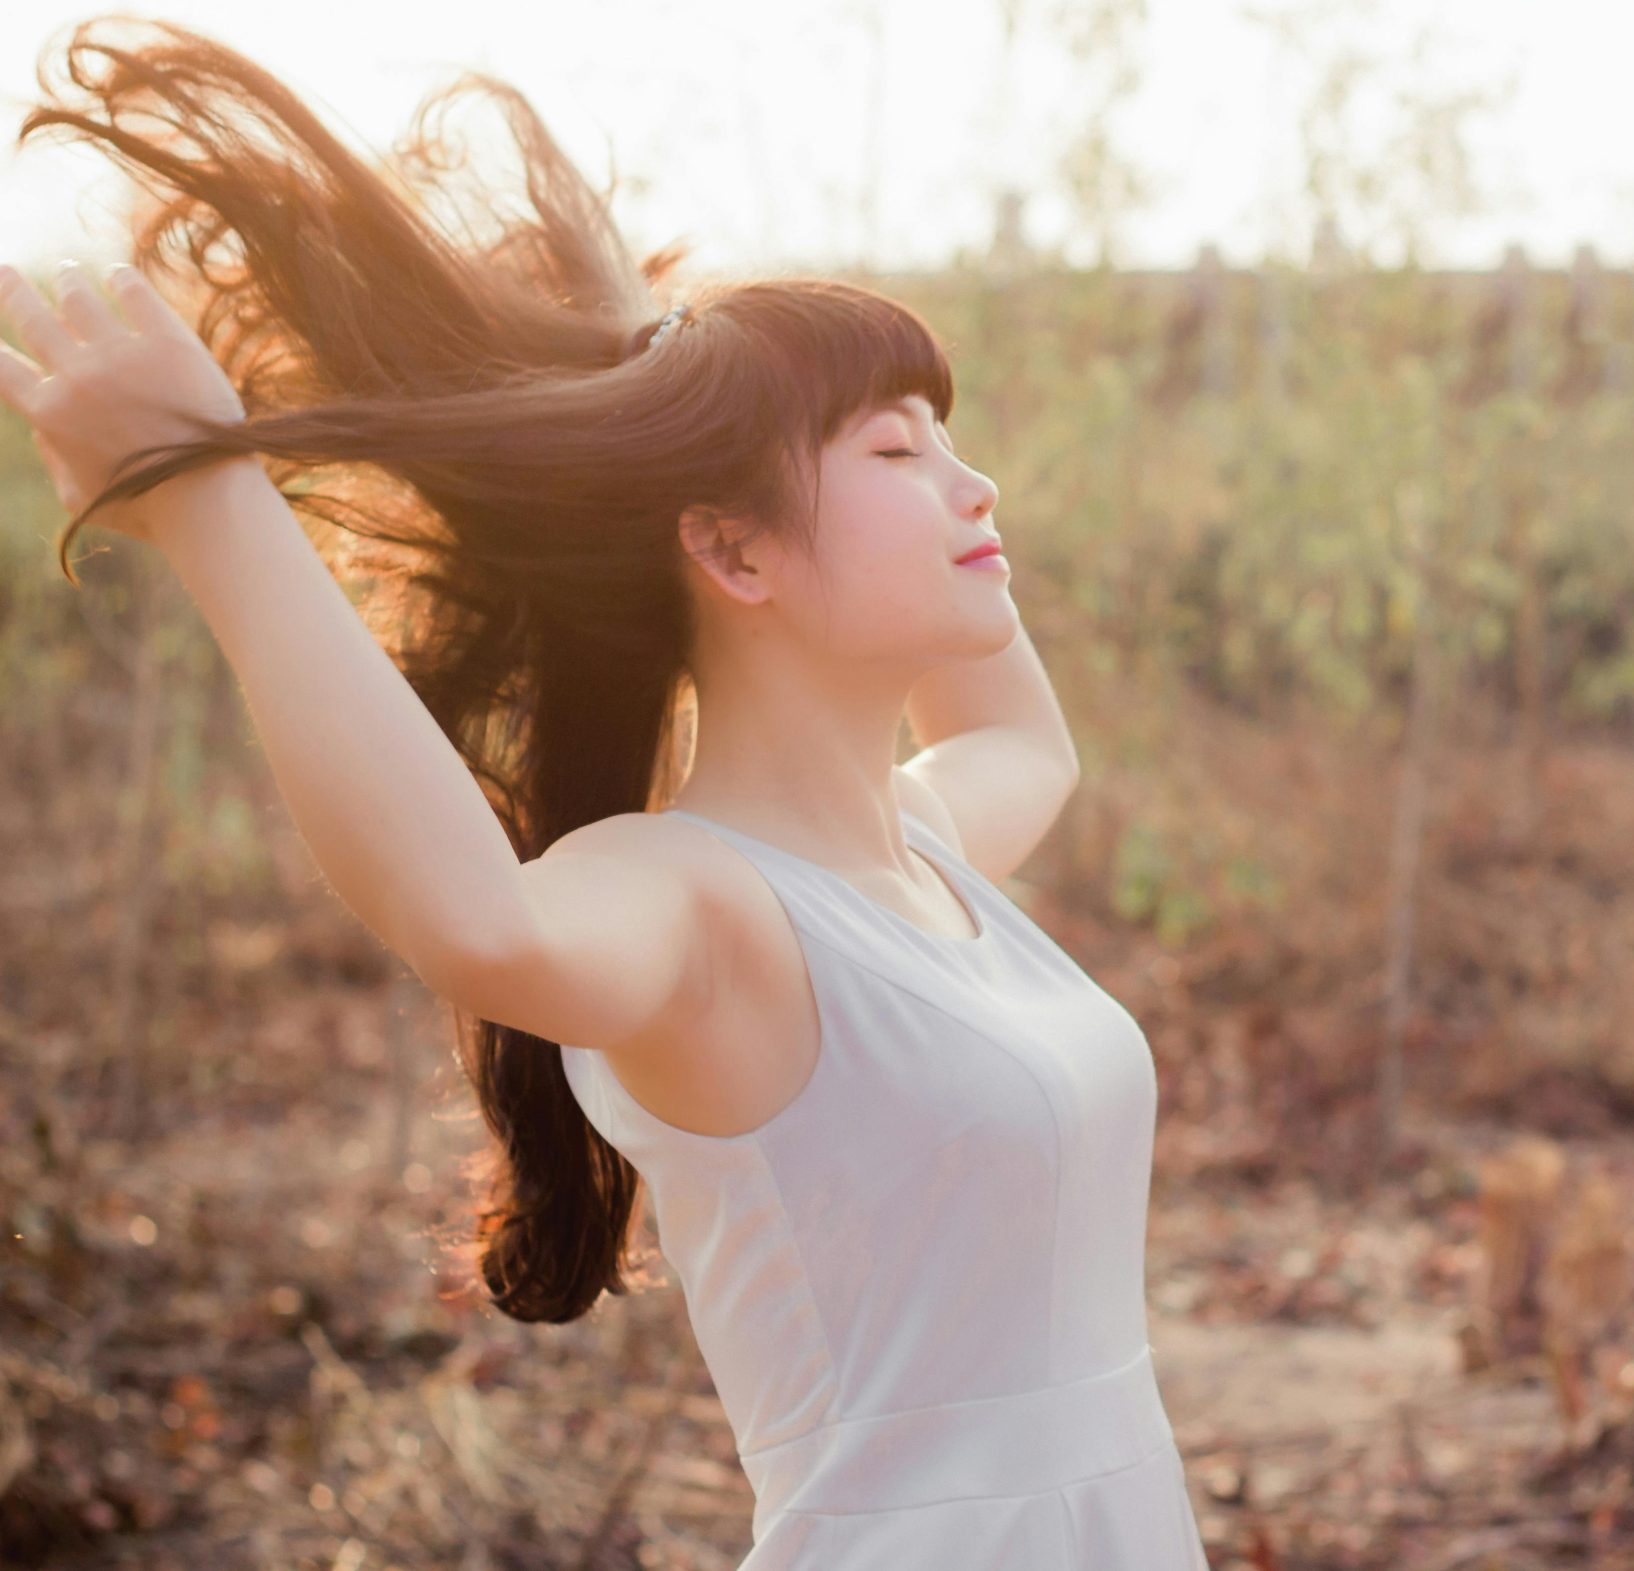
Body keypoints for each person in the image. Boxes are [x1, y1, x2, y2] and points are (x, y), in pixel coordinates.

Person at [0, 17, 1210, 1569]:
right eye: (902, 452)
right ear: (734, 551)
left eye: (954, 447)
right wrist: (208, 494)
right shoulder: (699, 904)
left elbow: (1033, 744)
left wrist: (683, 377)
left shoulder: (921, 852)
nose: (976, 491)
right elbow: (475, 921)